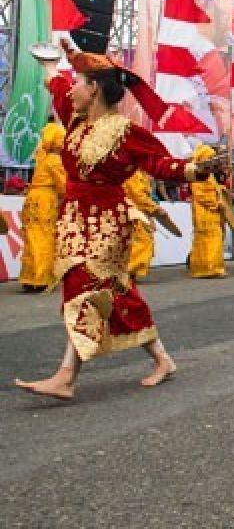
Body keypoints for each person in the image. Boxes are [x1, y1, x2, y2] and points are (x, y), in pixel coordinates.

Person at [14, 43, 213, 400]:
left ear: (94, 88)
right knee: (117, 293)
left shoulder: (126, 131)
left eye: (79, 82)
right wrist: (49, 63)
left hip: (107, 221)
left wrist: (194, 170)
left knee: (83, 286)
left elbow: (161, 164)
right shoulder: (74, 121)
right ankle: (162, 359)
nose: (71, 88)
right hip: (74, 219)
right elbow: (57, 86)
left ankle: (66, 376)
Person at [18, 122, 66, 292]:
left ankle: (28, 277)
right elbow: (63, 186)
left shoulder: (42, 157)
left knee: (31, 239)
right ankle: (41, 278)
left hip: (33, 199)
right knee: (44, 239)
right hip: (45, 201)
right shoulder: (55, 160)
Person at [187, 144, 226, 278]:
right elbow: (200, 195)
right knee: (210, 238)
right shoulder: (197, 175)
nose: (213, 161)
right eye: (210, 158)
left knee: (211, 238)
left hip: (211, 211)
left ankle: (208, 268)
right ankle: (210, 268)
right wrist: (216, 204)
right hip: (204, 211)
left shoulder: (209, 175)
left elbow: (214, 190)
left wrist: (221, 192)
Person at [124, 170, 159, 281]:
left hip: (141, 212)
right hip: (135, 213)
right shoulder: (134, 174)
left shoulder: (140, 173)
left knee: (140, 242)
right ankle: (128, 271)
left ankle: (130, 273)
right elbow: (138, 196)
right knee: (141, 242)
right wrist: (154, 209)